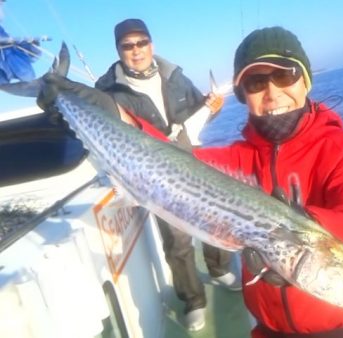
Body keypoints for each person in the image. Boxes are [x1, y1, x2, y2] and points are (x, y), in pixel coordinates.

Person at [193, 26, 343, 337]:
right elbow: (170, 162)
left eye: (285, 75)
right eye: (256, 82)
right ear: (243, 96)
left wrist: (295, 231)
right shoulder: (235, 159)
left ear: (305, 81)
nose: (273, 92)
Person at [94, 18, 240, 332]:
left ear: (152, 44)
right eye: (127, 46)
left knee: (216, 217)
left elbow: (196, 114)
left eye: (141, 43)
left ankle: (218, 269)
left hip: (194, 162)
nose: (136, 51)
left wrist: (212, 107)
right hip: (156, 173)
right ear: (118, 51)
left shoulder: (175, 76)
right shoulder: (108, 91)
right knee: (177, 239)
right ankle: (193, 300)